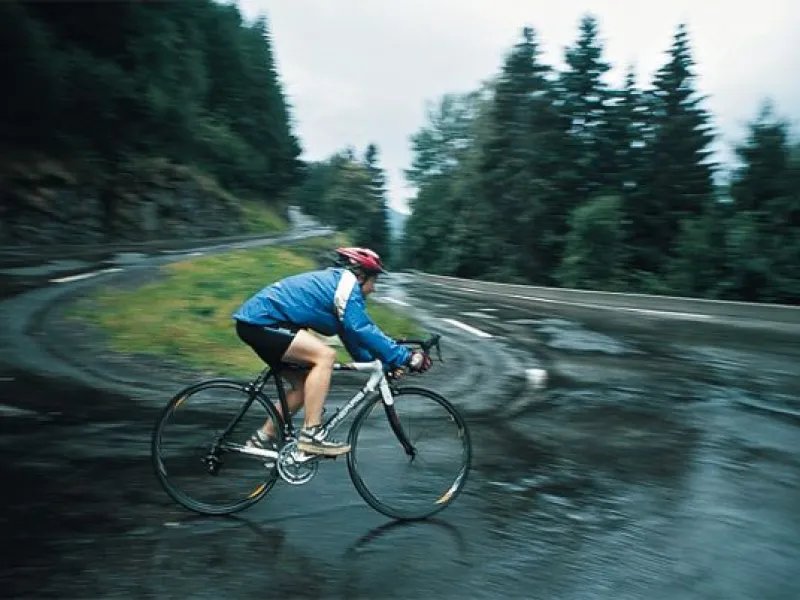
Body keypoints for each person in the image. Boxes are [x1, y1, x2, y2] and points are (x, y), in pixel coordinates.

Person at [232, 246, 432, 457]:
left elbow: (353, 339)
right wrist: (407, 357)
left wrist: (383, 364)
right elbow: (362, 328)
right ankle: (311, 435)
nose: (373, 289)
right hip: (262, 322)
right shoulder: (346, 286)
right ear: (361, 275)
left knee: (302, 388)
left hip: (259, 324)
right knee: (324, 356)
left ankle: (261, 438)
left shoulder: (339, 289)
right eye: (374, 281)